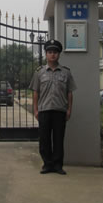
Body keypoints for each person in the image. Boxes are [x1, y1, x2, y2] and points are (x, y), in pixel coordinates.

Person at [29, 39, 76, 175]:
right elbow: (36, 92)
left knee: (58, 139)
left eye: (55, 52)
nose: (52, 54)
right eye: (50, 52)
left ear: (59, 54)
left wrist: (69, 110)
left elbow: (69, 92)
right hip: (44, 110)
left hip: (60, 110)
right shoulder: (39, 72)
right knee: (44, 139)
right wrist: (35, 110)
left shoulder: (66, 72)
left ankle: (57, 165)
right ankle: (47, 164)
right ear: (46, 54)